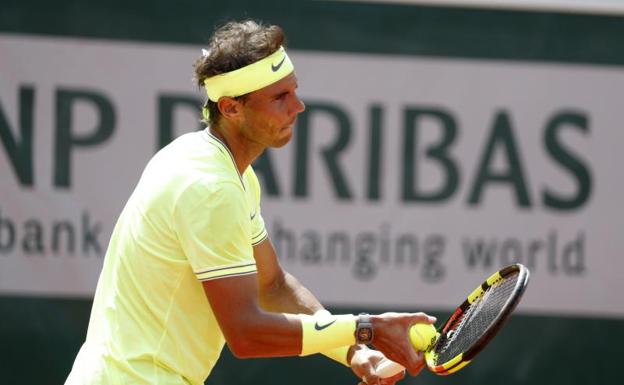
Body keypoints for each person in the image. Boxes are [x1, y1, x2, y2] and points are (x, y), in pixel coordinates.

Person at [65, 20, 436, 385]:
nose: (299, 106)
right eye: (279, 98)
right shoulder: (210, 188)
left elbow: (271, 285)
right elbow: (247, 334)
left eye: (294, 91)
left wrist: (354, 349)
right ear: (230, 108)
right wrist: (367, 329)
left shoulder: (215, 166)